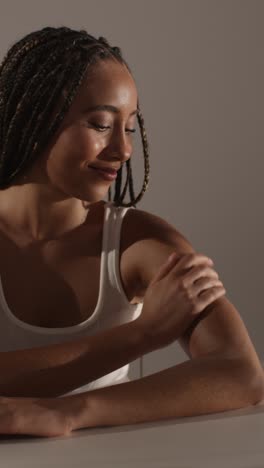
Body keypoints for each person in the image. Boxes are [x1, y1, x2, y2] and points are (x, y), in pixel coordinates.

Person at [0, 26, 263, 438]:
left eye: (130, 128)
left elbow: (241, 373)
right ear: (33, 115)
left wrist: (68, 413)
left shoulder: (137, 242)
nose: (122, 151)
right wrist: (144, 334)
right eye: (101, 124)